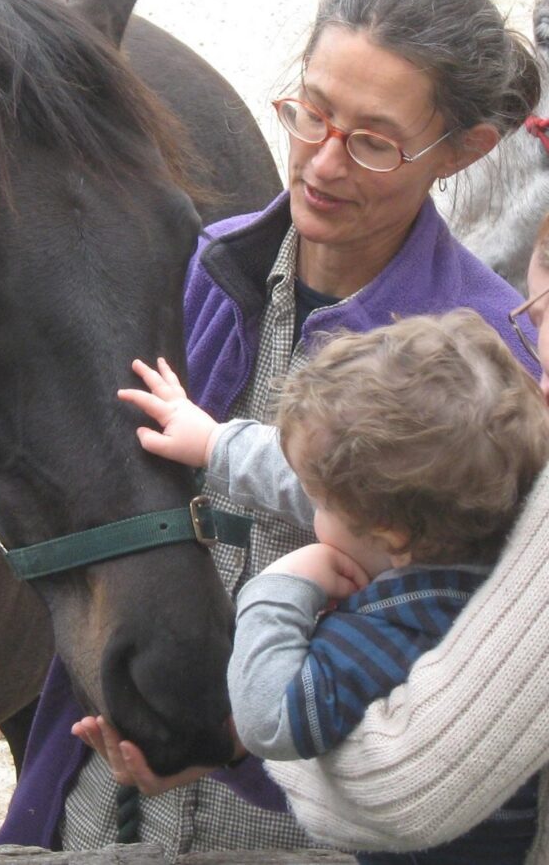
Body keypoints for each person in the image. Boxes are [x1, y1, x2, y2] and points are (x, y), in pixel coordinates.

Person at [0, 0, 543, 854]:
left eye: (373, 140)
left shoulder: (492, 364)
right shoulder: (190, 268)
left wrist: (227, 753)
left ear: (464, 151)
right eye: (312, 111)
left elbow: (456, 678)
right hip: (108, 799)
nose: (322, 161)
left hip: (294, 836)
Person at [224, 310, 548, 864]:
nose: (312, 511)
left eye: (321, 505)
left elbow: (267, 717)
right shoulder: (503, 572)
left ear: (391, 532)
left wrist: (281, 584)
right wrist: (214, 446)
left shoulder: (385, 633)